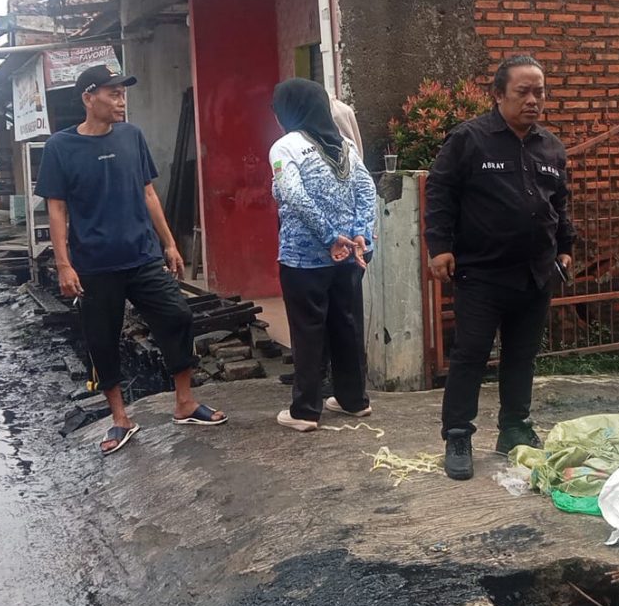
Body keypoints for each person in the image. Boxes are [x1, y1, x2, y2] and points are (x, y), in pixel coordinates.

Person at [34, 64, 226, 456]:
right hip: (94, 264)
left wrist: (169, 243)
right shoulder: (60, 148)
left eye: (122, 93)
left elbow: (149, 193)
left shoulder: (131, 136)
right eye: (112, 93)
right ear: (89, 98)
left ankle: (184, 402)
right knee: (102, 340)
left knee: (178, 315)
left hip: (141, 255)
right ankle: (120, 419)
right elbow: (57, 209)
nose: (121, 100)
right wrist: (64, 264)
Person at [425, 55, 576, 481]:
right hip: (482, 272)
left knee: (521, 356)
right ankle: (457, 435)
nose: (533, 101)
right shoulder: (469, 140)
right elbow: (440, 192)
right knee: (470, 356)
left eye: (539, 93)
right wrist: (439, 247)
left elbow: (559, 204)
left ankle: (514, 428)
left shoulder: (550, 146)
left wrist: (565, 248)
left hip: (535, 273)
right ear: (498, 95)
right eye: (522, 92)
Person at [269, 78, 377, 432]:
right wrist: (361, 237)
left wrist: (331, 237)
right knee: (347, 325)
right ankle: (353, 399)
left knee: (308, 330)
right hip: (348, 260)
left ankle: (305, 411)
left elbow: (294, 197)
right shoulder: (344, 144)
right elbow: (366, 188)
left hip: (303, 261)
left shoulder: (285, 147)